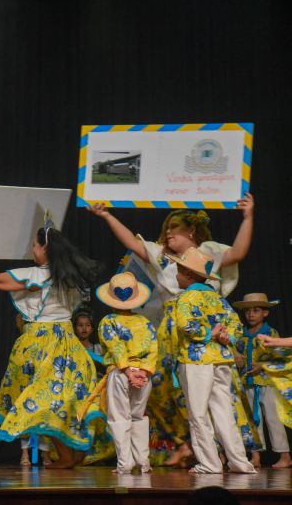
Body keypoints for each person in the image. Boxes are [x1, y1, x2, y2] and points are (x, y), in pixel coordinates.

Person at [88, 195, 254, 466]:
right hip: (170, 331)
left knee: (213, 394)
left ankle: (217, 451)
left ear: (190, 231)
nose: (167, 233)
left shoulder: (208, 253)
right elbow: (131, 242)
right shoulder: (161, 256)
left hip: (206, 332)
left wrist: (248, 217)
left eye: (173, 228)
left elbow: (238, 252)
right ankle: (187, 444)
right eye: (166, 229)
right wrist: (106, 215)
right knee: (163, 389)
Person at [0, 222, 102, 469]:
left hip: (42, 343)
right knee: (62, 400)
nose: (32, 250)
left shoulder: (38, 275)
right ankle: (72, 452)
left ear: (46, 249)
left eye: (35, 245)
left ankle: (66, 455)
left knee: (42, 401)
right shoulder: (71, 276)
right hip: (68, 343)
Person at [170, 247, 255, 474]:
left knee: (198, 413)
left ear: (188, 274)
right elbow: (237, 326)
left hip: (197, 360)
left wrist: (209, 334)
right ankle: (239, 462)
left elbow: (185, 325)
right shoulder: (217, 298)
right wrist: (226, 336)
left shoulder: (186, 297)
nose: (176, 275)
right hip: (221, 359)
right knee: (223, 411)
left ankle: (210, 463)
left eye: (178, 270)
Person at [95, 272, 158, 474]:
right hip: (143, 374)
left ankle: (125, 463)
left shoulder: (108, 321)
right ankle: (143, 462)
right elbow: (153, 348)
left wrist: (128, 372)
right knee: (138, 416)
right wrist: (144, 372)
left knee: (120, 417)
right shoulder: (145, 322)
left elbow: (116, 347)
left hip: (121, 373)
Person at [233, 293, 291, 468]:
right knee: (251, 421)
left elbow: (278, 354)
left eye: (256, 310)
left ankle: (285, 455)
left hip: (267, 382)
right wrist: (237, 359)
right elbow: (237, 354)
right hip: (248, 382)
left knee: (273, 419)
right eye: (248, 311)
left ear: (265, 313)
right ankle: (255, 455)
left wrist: (262, 365)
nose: (251, 314)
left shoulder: (271, 333)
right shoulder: (241, 335)